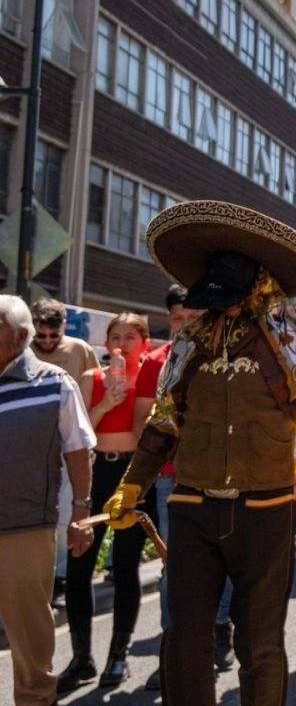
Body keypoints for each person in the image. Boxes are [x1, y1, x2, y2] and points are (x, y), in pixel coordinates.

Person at [102, 200, 296, 705]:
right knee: (184, 637)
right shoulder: (191, 338)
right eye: (217, 298)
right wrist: (132, 483)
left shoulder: (294, 331)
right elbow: (163, 420)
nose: (226, 306)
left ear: (258, 283)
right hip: (191, 508)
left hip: (266, 510)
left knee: (259, 643)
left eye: (232, 296)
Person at [0, 295, 96, 706]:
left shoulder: (54, 381)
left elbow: (78, 450)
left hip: (25, 525)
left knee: (29, 633)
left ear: (19, 337)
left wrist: (81, 513)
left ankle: (37, 700)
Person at [58, 312, 154, 693]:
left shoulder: (149, 379)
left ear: (144, 343)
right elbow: (77, 433)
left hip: (132, 476)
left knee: (127, 566)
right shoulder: (90, 378)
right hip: (96, 474)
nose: (122, 343)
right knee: (80, 567)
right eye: (115, 336)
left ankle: (119, 653)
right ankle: (82, 657)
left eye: (131, 337)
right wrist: (105, 402)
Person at [132, 284, 220, 690]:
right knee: (175, 568)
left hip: (219, 477)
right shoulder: (155, 362)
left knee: (222, 563)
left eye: (191, 317)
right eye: (176, 318)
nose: (183, 325)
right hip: (170, 478)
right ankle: (173, 652)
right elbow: (142, 428)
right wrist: (136, 483)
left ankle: (220, 633)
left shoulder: (223, 358)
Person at [30, 297, 98, 609]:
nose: (46, 342)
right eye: (40, 336)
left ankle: (58, 580)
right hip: (30, 446)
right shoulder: (21, 349)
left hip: (68, 445)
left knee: (63, 515)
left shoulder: (79, 350)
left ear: (63, 329)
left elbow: (96, 386)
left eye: (52, 336)